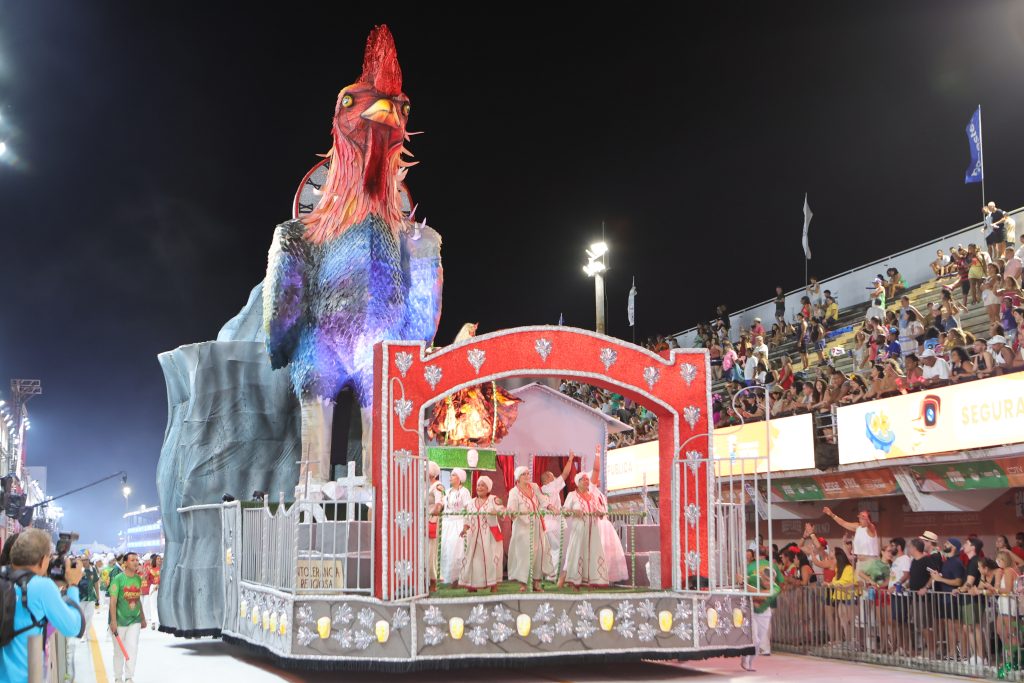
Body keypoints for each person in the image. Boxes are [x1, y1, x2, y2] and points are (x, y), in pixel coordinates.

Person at [0, 529, 85, 683]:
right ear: (42, 560)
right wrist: (73, 585)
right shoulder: (42, 587)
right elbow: (73, 627)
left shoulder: (4, 578)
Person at [506, 466, 553, 591]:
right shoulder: (513, 492)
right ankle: (523, 583)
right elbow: (512, 509)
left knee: (539, 553)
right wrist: (513, 513)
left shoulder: (534, 487)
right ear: (518, 477)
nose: (527, 476)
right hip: (522, 526)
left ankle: (536, 583)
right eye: (524, 474)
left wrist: (551, 507)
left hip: (537, 525)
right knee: (524, 554)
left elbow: (543, 500)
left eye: (528, 473)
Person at [560, 472, 608, 589]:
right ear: (578, 482)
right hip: (579, 530)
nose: (587, 481)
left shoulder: (593, 496)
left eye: (587, 479)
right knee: (577, 553)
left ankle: (591, 581)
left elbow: (601, 511)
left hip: (593, 530)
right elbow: (564, 512)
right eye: (584, 479)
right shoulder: (572, 495)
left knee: (593, 553)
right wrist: (573, 511)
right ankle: (574, 581)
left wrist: (600, 512)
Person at [458, 476, 504, 593]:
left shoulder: (494, 499)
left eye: (483, 485)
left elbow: (503, 510)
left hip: (490, 536)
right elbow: (467, 519)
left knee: (492, 559)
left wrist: (497, 511)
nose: (480, 487)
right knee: (474, 561)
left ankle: (493, 585)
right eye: (478, 485)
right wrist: (464, 529)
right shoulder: (470, 503)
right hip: (474, 536)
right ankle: (472, 585)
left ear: (488, 488)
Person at [109, 551, 145, 683]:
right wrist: (113, 621)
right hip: (119, 621)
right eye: (133, 560)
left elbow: (138, 599)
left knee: (133, 647)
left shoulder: (137, 579)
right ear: (125, 563)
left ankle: (129, 676)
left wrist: (143, 617)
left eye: (137, 560)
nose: (136, 562)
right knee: (118, 651)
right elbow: (112, 602)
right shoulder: (118, 579)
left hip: (134, 620)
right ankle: (118, 677)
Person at [929, 538, 965, 661]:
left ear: (954, 547)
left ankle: (962, 653)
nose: (944, 544)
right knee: (949, 627)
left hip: (953, 599)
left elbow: (958, 581)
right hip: (945, 599)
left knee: (956, 627)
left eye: (948, 543)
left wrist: (940, 579)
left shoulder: (956, 562)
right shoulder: (947, 561)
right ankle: (952, 652)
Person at [539, 455, 575, 580]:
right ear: (549, 478)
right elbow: (565, 473)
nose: (555, 477)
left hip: (545, 525)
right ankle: (552, 575)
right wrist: (570, 459)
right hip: (554, 524)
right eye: (553, 476)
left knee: (547, 550)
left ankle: (546, 573)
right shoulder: (552, 486)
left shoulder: (540, 491)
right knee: (557, 549)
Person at [440, 468, 472, 586]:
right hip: (446, 524)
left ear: (459, 479)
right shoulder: (447, 492)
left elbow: (469, 509)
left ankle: (459, 579)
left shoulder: (464, 492)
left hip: (458, 523)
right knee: (446, 550)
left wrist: (466, 525)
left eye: (453, 475)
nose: (450, 477)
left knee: (457, 552)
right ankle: (447, 577)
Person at [822, 506, 878, 572]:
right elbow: (843, 523)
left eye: (863, 518)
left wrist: (867, 520)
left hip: (870, 561)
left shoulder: (871, 528)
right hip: (860, 562)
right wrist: (832, 514)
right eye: (860, 518)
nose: (861, 519)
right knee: (859, 582)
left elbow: (870, 525)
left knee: (870, 581)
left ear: (868, 519)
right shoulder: (858, 527)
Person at [426, 462, 444, 592]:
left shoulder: (438, 486)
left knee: (431, 552)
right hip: (423, 521)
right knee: (423, 551)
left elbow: (439, 502)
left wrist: (437, 508)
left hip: (432, 520)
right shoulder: (424, 486)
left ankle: (433, 582)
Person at [79, 556, 101, 641]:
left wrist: (98, 596)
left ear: (88, 560)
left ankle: (86, 634)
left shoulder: (93, 570)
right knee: (82, 617)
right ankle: (81, 634)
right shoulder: (78, 570)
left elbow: (96, 583)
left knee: (89, 616)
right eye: (82, 560)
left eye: (86, 560)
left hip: (91, 596)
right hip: (80, 597)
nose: (84, 562)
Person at [145, 555, 160, 629]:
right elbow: (146, 579)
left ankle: (160, 621)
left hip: (161, 587)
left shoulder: (163, 569)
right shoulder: (150, 570)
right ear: (154, 560)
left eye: (160, 559)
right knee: (153, 605)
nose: (159, 560)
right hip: (153, 587)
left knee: (160, 605)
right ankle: (154, 622)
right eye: (157, 559)